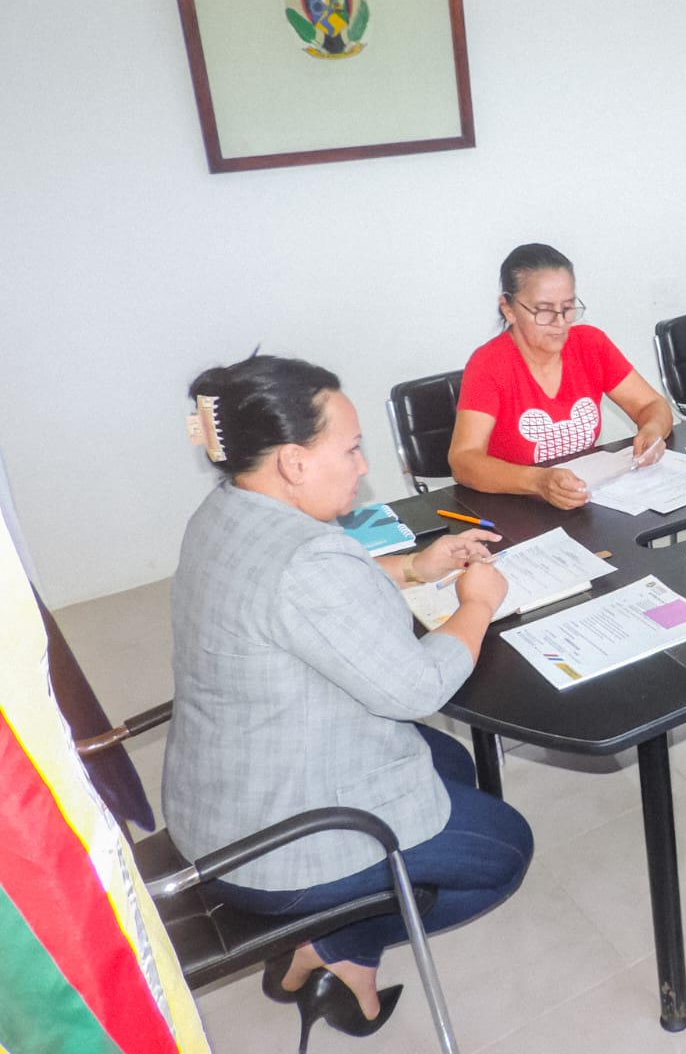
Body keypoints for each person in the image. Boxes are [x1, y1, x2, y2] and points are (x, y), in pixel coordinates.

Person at [165, 355, 533, 1044]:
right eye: (352, 449)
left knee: (449, 763)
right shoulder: (311, 558)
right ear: (295, 462)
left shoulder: (226, 511)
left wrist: (415, 566)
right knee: (504, 853)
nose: (363, 466)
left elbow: (300, 595)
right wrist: (477, 605)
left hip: (218, 800)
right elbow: (417, 688)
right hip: (272, 847)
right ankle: (335, 945)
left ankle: (333, 948)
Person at [450, 243, 673, 509]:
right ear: (508, 309)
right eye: (544, 311)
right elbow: (463, 460)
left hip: (586, 500)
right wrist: (537, 481)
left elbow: (651, 404)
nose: (560, 323)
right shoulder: (489, 364)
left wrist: (652, 430)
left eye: (567, 308)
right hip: (516, 509)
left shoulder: (590, 345)